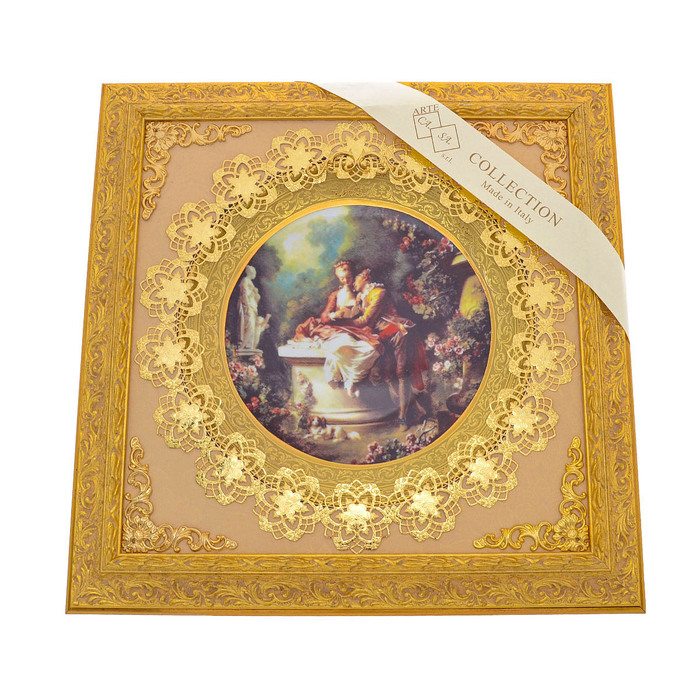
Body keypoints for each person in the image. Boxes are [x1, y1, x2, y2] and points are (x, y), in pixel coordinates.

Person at [348, 268, 428, 427]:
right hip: (381, 336)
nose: (354, 283)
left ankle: (402, 417)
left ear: (365, 277)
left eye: (356, 279)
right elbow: (354, 316)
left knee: (401, 372)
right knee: (385, 375)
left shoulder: (379, 293)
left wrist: (342, 323)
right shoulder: (360, 297)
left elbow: (367, 320)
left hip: (396, 332)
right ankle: (417, 409)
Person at [294, 261, 381, 396]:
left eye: (348, 277)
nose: (346, 281)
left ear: (353, 276)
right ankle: (350, 381)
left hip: (355, 328)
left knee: (371, 349)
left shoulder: (361, 293)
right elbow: (324, 316)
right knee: (342, 344)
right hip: (336, 328)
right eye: (342, 278)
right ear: (338, 279)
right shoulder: (336, 294)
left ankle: (352, 380)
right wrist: (334, 315)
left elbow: (366, 316)